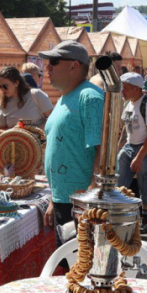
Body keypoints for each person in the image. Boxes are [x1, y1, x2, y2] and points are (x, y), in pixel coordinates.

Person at [40, 41, 104, 241]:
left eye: (54, 61)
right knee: (69, 259)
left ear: (74, 65)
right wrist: (54, 199)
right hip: (67, 201)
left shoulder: (90, 97)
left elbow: (104, 150)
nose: (48, 67)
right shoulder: (66, 97)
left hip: (83, 204)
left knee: (82, 259)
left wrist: (90, 198)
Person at [116, 72, 147, 234]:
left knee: (146, 182)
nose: (123, 91)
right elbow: (125, 130)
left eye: (126, 88)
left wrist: (140, 157)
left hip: (145, 147)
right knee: (119, 181)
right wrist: (119, 148)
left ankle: (146, 218)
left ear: (136, 89)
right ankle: (120, 214)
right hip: (129, 146)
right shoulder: (128, 104)